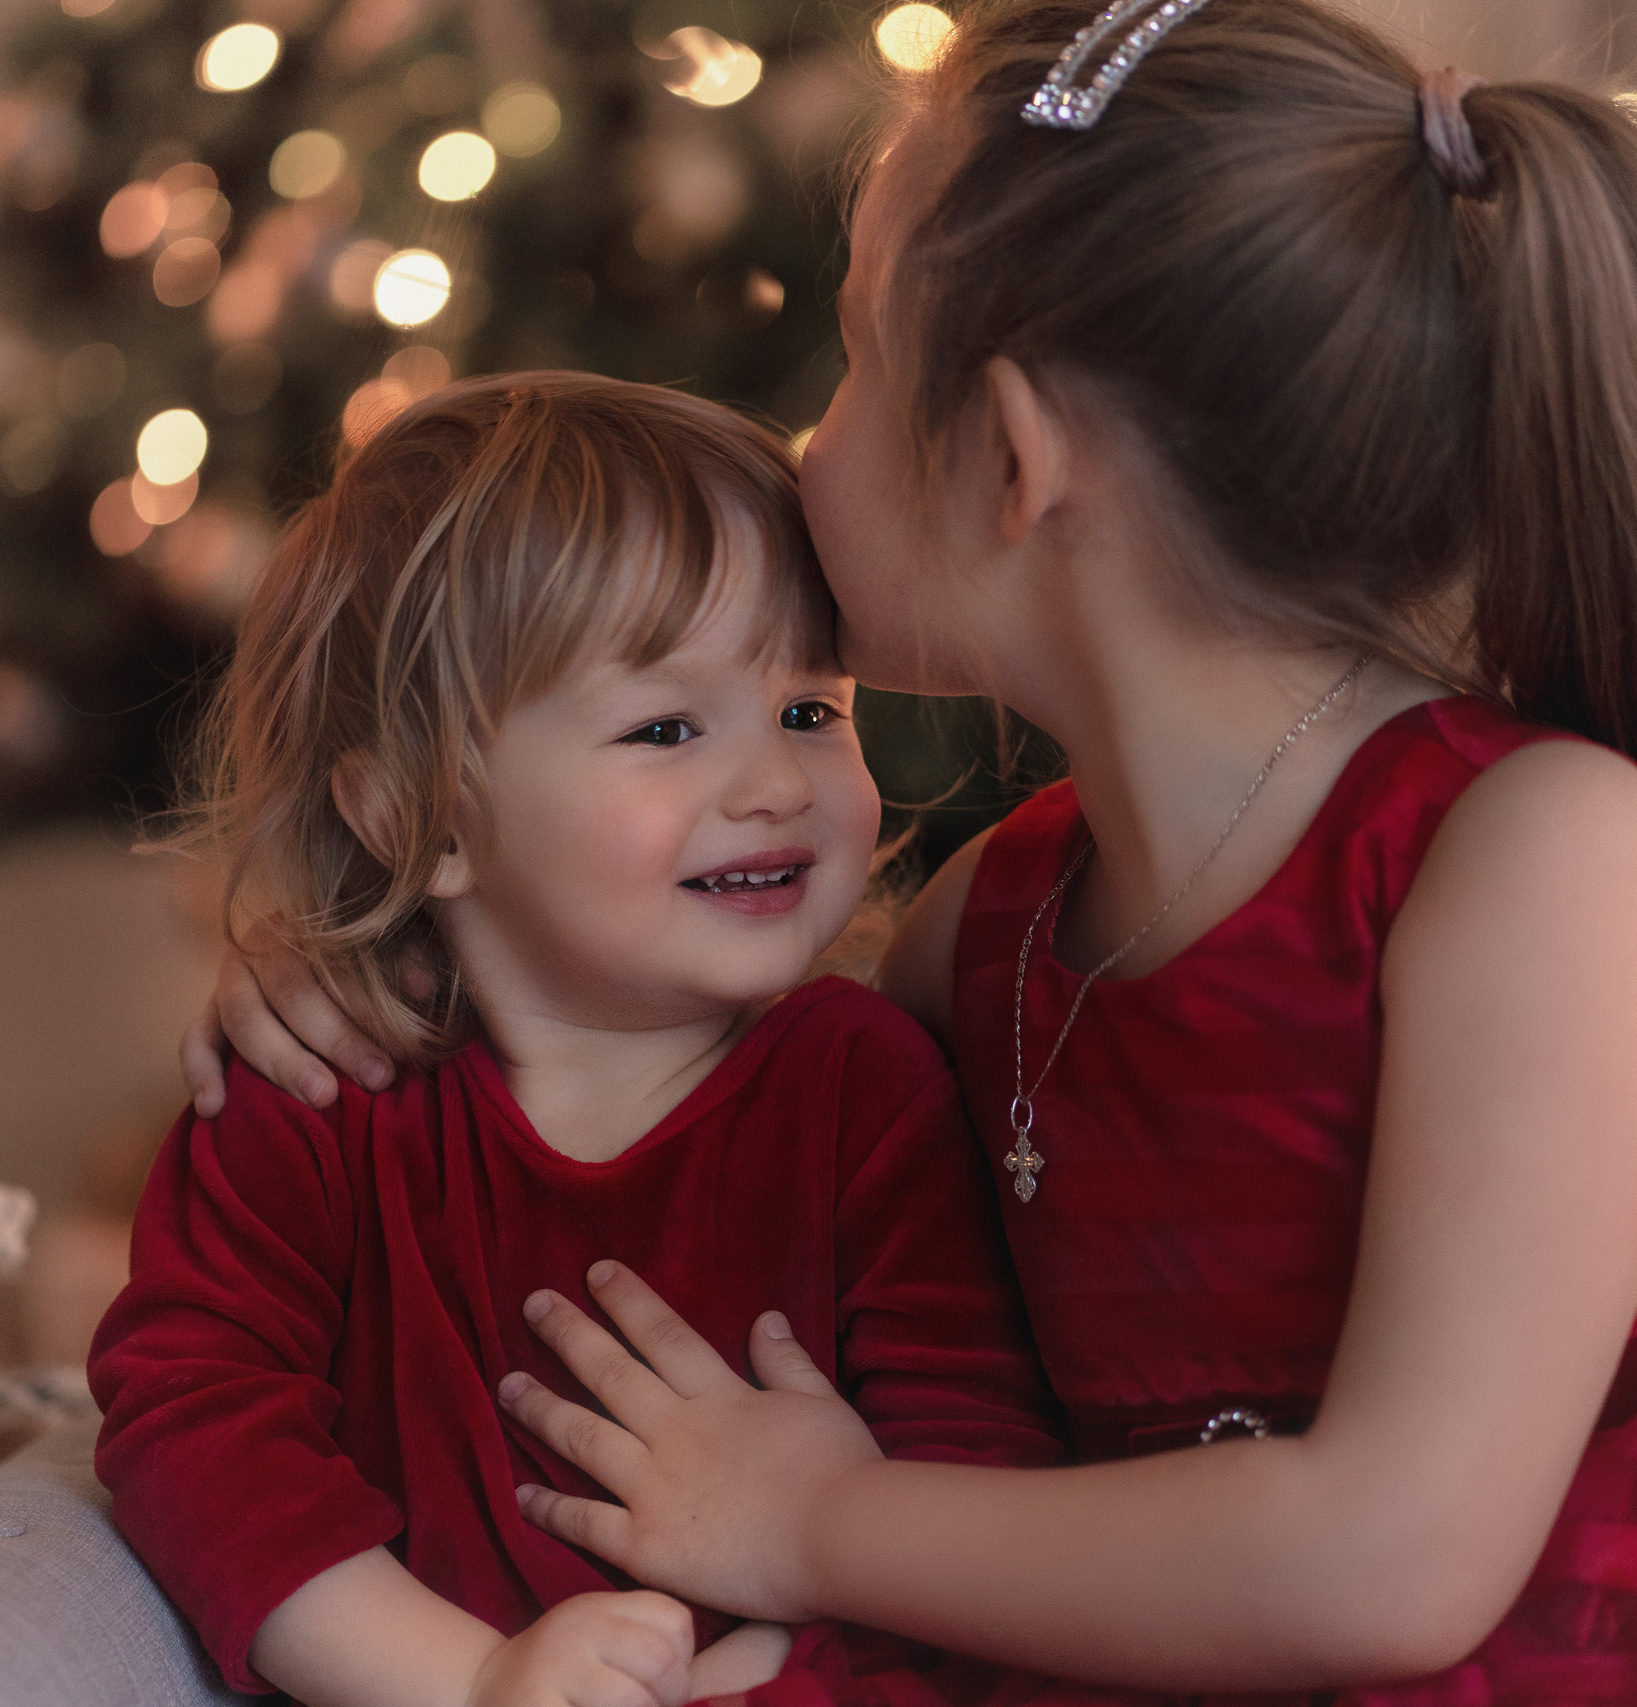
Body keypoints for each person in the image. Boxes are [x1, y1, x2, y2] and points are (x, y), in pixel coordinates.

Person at [182, 1, 1637, 1700]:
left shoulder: (1538, 860)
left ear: (1009, 463)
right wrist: (372, 963)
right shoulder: (995, 923)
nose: (802, 446)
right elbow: (677, 1032)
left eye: (845, 361)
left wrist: (817, 1525)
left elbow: (1395, 1559)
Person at [91, 373, 1064, 1707]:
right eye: (666, 727)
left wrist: (795, 1679)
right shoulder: (314, 1100)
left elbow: (976, 1478)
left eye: (811, 711)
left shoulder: (869, 1092)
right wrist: (478, 1684)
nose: (776, 783)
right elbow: (190, 1429)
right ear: (417, 822)